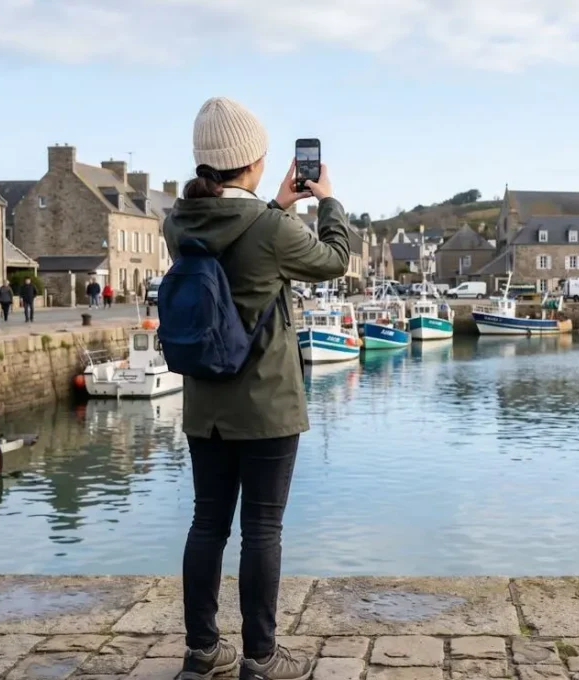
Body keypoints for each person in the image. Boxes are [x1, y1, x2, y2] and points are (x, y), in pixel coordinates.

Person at [169, 97, 348, 680]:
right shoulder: (272, 230)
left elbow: (235, 240)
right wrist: (327, 200)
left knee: (207, 524)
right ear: (253, 161)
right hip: (267, 406)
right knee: (262, 531)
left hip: (204, 406)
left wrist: (275, 202)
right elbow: (333, 260)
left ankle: (202, 650)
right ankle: (262, 658)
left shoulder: (180, 222)